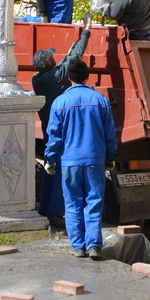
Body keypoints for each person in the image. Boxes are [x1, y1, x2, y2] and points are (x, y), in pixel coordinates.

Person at [44, 59, 118, 260]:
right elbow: (109, 134)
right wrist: (110, 156)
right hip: (95, 160)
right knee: (94, 202)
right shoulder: (100, 101)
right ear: (88, 77)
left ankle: (78, 246)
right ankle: (94, 246)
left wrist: (50, 159)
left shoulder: (59, 102)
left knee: (73, 203)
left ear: (69, 79)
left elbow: (54, 136)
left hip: (70, 162)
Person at [32, 14, 93, 226]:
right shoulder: (57, 75)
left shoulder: (37, 79)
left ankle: (45, 208)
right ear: (50, 63)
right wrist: (86, 30)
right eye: (51, 58)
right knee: (60, 172)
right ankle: (56, 214)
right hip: (63, 131)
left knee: (50, 168)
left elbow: (65, 61)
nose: (54, 58)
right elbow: (76, 55)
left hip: (50, 129)